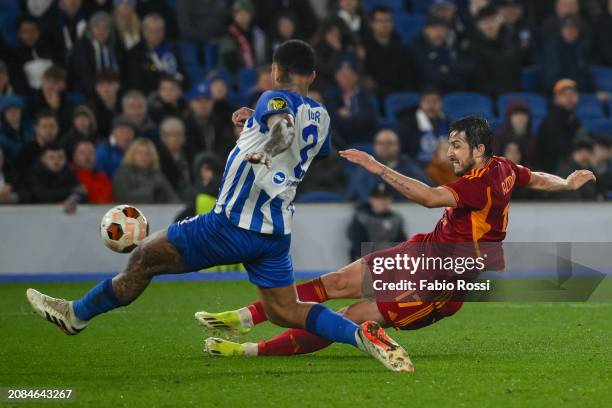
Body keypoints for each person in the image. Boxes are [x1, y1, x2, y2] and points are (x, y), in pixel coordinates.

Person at [26, 40, 412, 373]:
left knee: (144, 258)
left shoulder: (272, 99)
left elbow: (284, 130)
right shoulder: (322, 116)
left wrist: (268, 144)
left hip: (229, 224)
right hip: (275, 232)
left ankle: (75, 316)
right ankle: (361, 336)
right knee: (285, 310)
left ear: (275, 70)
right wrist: (254, 124)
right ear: (311, 76)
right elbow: (307, 141)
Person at [195, 116, 597, 360]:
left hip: (441, 284)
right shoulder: (505, 166)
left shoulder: (478, 184)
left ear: (478, 149)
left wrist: (375, 166)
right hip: (425, 251)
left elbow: (425, 197)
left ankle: (248, 351)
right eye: (448, 144)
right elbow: (534, 176)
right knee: (335, 282)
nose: (449, 153)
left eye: (456, 147)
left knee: (348, 320)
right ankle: (246, 318)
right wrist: (565, 182)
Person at [346, 129, 433, 202]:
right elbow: (352, 197)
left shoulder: (409, 167)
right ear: (374, 146)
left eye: (390, 143)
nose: (385, 147)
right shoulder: (364, 169)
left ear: (398, 146)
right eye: (381, 143)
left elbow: (427, 192)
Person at [125, 13, 186, 94]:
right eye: (152, 31)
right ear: (144, 32)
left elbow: (183, 75)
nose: (155, 35)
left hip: (175, 94)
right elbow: (136, 84)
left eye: (159, 31)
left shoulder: (172, 49)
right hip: (151, 97)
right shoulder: (134, 54)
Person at [468, 5, 522, 97]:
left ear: (499, 21)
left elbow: (516, 72)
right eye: (485, 21)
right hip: (485, 96)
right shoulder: (472, 48)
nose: (489, 24)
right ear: (478, 25)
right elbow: (478, 79)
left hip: (512, 93)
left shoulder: (511, 42)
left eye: (492, 20)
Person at [362, 6, 415, 99]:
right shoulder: (364, 47)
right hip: (378, 94)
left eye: (388, 20)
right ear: (372, 23)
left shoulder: (401, 46)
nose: (384, 24)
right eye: (380, 21)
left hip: (401, 91)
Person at [411, 16, 471, 93]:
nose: (438, 32)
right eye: (434, 28)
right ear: (425, 30)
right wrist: (451, 70)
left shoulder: (452, 46)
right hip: (428, 93)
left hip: (455, 90)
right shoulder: (417, 48)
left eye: (442, 28)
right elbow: (432, 75)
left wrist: (447, 70)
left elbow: (466, 69)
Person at [347, 182, 406, 261]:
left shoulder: (396, 219)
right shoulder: (362, 218)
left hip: (390, 261)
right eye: (378, 199)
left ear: (390, 199)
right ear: (371, 199)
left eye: (385, 198)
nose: (382, 202)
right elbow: (358, 245)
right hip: (366, 261)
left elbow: (401, 243)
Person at [324, 58, 377, 145]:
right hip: (341, 140)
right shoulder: (330, 95)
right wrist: (351, 118)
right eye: (343, 75)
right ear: (337, 77)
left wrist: (350, 116)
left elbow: (368, 119)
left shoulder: (365, 95)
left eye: (350, 75)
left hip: (364, 137)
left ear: (356, 77)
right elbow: (333, 119)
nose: (347, 79)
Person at [112, 138, 180, 203]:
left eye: (148, 154)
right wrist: (152, 193)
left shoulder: (158, 175)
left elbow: (172, 197)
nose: (144, 157)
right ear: (132, 154)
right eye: (140, 153)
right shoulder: (123, 173)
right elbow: (123, 197)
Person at [537, 79, 582, 173]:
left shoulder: (573, 119)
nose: (569, 98)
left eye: (572, 94)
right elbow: (560, 151)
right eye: (564, 95)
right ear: (556, 99)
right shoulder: (551, 121)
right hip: (555, 173)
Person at [25, 142, 84, 212]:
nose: (56, 161)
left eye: (60, 157)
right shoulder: (34, 174)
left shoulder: (69, 173)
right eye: (51, 158)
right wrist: (70, 190)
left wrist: (71, 200)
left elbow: (80, 192)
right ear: (42, 159)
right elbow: (42, 195)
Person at [542, 15, 594, 94]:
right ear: (561, 30)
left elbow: (587, 73)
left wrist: (595, 91)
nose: (570, 31)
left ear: (578, 31)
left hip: (579, 91)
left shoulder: (581, 47)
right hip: (558, 92)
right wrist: (568, 90)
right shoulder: (554, 48)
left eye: (573, 28)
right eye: (566, 28)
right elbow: (552, 77)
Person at [395, 88, 449, 163]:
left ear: (441, 103)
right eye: (427, 101)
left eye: (435, 101)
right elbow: (403, 151)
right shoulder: (407, 123)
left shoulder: (448, 122)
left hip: (444, 163)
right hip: (416, 164)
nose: (431, 105)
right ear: (420, 103)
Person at [71, 11, 118, 95]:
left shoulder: (115, 47)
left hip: (113, 91)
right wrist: (101, 91)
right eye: (97, 27)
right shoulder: (82, 47)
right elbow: (84, 74)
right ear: (90, 29)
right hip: (88, 92)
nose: (101, 31)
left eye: (105, 28)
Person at [217, 0, 267, 77]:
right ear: (234, 16)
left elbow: (265, 57)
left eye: (246, 13)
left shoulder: (257, 34)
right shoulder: (228, 35)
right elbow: (230, 63)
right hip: (236, 76)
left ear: (251, 15)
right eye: (239, 13)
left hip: (258, 74)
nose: (243, 16)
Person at [493, 100, 537, 168]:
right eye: (516, 114)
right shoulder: (499, 136)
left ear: (528, 117)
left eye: (523, 114)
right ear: (509, 117)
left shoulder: (533, 138)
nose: (520, 118)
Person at [17, 110, 59, 174]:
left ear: (57, 128)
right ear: (36, 128)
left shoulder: (62, 149)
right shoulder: (27, 151)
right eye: (44, 127)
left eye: (52, 126)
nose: (49, 130)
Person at [70, 139, 112, 203]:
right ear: (75, 157)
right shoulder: (69, 176)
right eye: (82, 153)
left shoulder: (103, 177)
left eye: (91, 152)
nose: (87, 156)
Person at [158, 117, 190, 197]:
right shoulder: (158, 158)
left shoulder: (190, 155)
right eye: (171, 135)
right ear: (163, 138)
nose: (175, 138)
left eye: (178, 134)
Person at [86, 70, 120, 139]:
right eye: (101, 85)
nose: (106, 89)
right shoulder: (91, 108)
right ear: (96, 88)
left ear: (117, 85)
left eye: (109, 84)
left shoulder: (125, 104)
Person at [0, 95, 33, 163]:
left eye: (16, 109)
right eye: (9, 110)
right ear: (3, 114)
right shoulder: (1, 135)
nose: (13, 113)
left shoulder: (31, 131)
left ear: (22, 112)